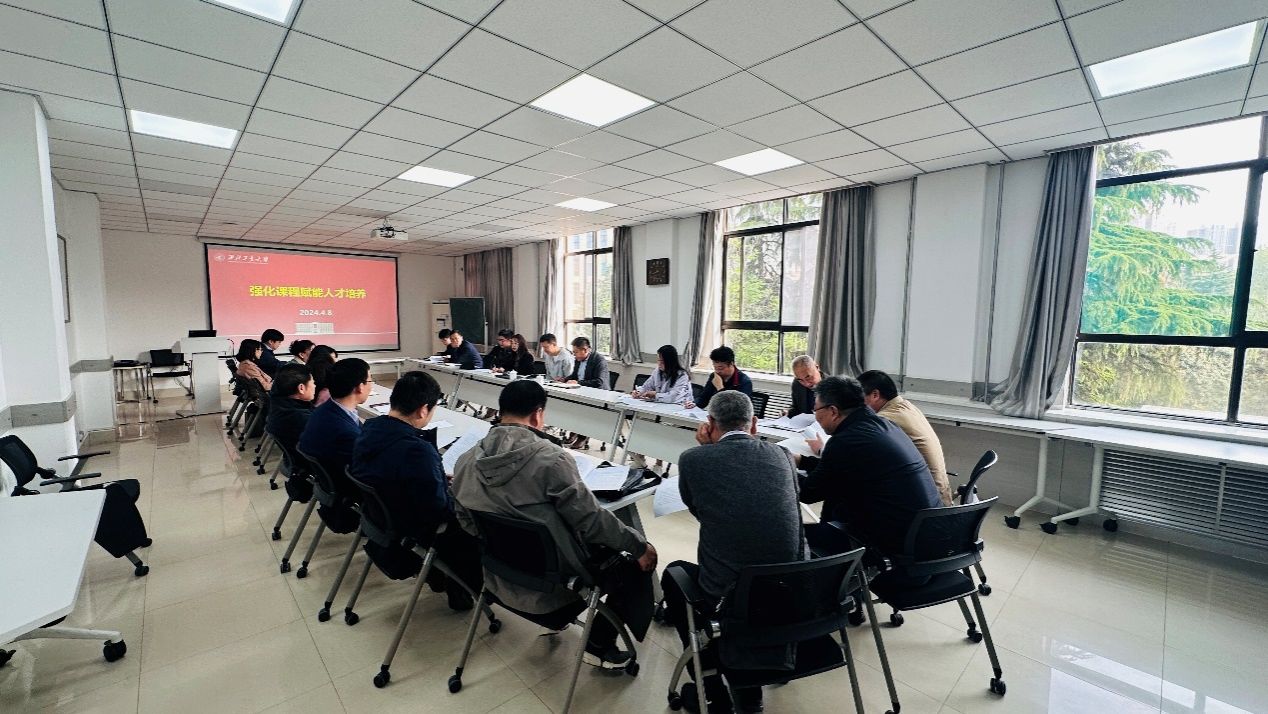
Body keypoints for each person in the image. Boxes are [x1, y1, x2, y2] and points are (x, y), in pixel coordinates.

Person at [451, 380, 658, 669]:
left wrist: (502, 544)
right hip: (556, 589)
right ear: (538, 415)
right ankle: (599, 643)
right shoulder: (552, 459)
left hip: (499, 578)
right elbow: (592, 521)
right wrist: (639, 546)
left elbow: (465, 519)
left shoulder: (465, 460)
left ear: (501, 411)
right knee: (636, 560)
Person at [662, 391, 808, 713]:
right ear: (753, 423)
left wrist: (707, 450)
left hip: (731, 598)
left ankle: (713, 693)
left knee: (674, 576)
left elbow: (701, 511)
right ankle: (748, 688)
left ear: (709, 423)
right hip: (794, 591)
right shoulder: (782, 455)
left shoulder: (693, 459)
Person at [350, 371, 482, 610]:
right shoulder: (417, 451)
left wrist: (436, 478)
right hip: (411, 530)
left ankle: (440, 577)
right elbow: (439, 511)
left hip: (381, 521)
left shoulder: (369, 429)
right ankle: (464, 589)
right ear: (423, 410)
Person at [797, 376, 941, 557]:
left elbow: (808, 493)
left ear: (833, 411)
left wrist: (780, 469)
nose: (815, 416)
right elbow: (837, 469)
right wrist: (801, 460)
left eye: (816, 409)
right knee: (838, 499)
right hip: (928, 534)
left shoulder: (846, 440)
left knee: (792, 536)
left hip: (898, 545)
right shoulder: (884, 425)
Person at [858, 370, 953, 506]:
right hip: (938, 497)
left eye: (859, 399)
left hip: (925, 504)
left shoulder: (885, 419)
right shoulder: (907, 407)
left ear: (875, 395)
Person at [298, 358, 372, 480]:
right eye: (370, 380)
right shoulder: (346, 432)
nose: (371, 385)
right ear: (360, 387)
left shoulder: (324, 409)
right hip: (345, 483)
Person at [627, 344, 692, 470]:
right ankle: (640, 458)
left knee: (660, 428)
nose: (659, 363)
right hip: (659, 407)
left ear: (670, 361)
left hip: (676, 411)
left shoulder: (682, 375)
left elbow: (672, 397)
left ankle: (659, 463)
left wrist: (655, 395)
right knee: (641, 422)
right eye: (658, 360)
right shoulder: (657, 371)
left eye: (662, 361)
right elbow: (647, 385)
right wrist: (638, 392)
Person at [265, 364, 315, 455]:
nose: (315, 386)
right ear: (301, 388)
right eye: (313, 383)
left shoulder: (278, 405)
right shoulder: (302, 418)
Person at [686, 346, 752, 409]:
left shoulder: (744, 381)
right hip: (715, 413)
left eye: (720, 368)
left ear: (731, 364)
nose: (717, 371)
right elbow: (704, 399)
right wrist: (694, 403)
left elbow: (735, 408)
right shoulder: (714, 376)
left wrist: (720, 387)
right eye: (715, 367)